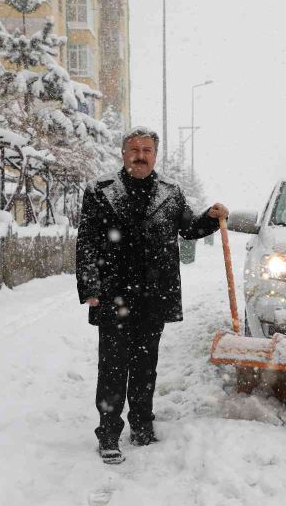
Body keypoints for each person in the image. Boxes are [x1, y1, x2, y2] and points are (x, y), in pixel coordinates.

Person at [76, 126, 228, 464]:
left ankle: (142, 425)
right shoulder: (100, 192)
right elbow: (86, 241)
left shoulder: (170, 194)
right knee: (113, 367)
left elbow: (189, 228)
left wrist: (211, 218)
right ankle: (108, 434)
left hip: (153, 295)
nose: (140, 156)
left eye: (147, 151)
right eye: (134, 150)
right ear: (123, 154)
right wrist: (90, 287)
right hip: (114, 294)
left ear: (155, 156)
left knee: (146, 366)